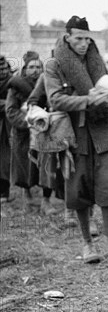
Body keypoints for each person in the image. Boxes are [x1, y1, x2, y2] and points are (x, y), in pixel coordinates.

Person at [44, 15, 108, 264]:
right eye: (78, 39)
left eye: (87, 40)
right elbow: (55, 99)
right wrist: (88, 100)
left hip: (100, 131)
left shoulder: (95, 62)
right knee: (78, 188)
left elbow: (107, 89)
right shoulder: (54, 64)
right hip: (73, 135)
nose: (84, 44)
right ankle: (87, 243)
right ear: (67, 37)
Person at [5, 51, 43, 211]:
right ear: (25, 69)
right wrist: (27, 122)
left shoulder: (45, 84)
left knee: (43, 163)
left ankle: (45, 196)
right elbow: (11, 110)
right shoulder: (16, 86)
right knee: (23, 164)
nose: (35, 70)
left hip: (43, 131)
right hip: (23, 133)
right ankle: (26, 194)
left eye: (38, 67)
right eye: (31, 67)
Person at [27, 72, 66, 216]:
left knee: (72, 164)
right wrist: (43, 115)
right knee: (49, 165)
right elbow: (33, 100)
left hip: (74, 126)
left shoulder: (78, 74)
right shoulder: (46, 77)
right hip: (53, 127)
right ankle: (46, 200)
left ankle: (71, 203)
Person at [0, 55, 13, 204]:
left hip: (7, 125)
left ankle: (4, 191)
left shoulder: (13, 82)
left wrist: (8, 104)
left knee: (4, 160)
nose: (2, 71)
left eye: (4, 68)